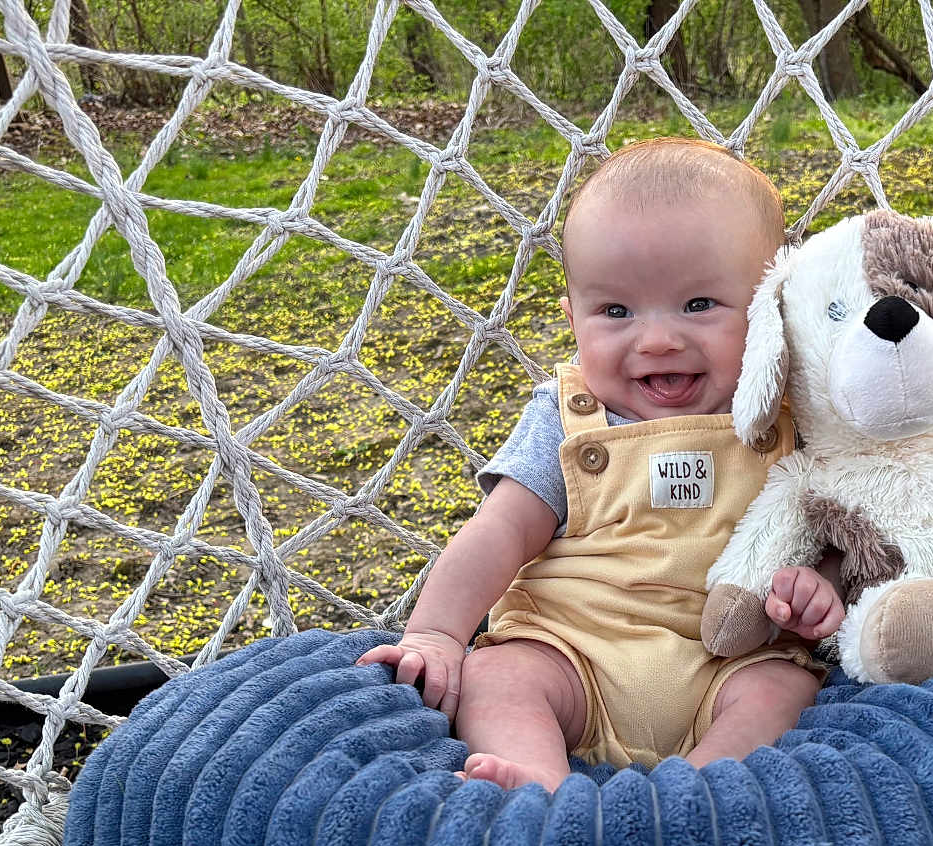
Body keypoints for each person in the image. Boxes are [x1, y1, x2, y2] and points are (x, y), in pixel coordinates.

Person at [358, 137, 843, 791]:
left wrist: (825, 587)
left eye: (699, 305)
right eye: (615, 312)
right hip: (573, 650)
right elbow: (500, 530)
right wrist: (439, 635)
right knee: (500, 675)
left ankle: (692, 797)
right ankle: (535, 780)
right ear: (572, 320)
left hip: (732, 662)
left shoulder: (801, 415)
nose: (658, 338)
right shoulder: (567, 417)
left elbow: (841, 526)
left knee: (781, 691)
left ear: (773, 303)